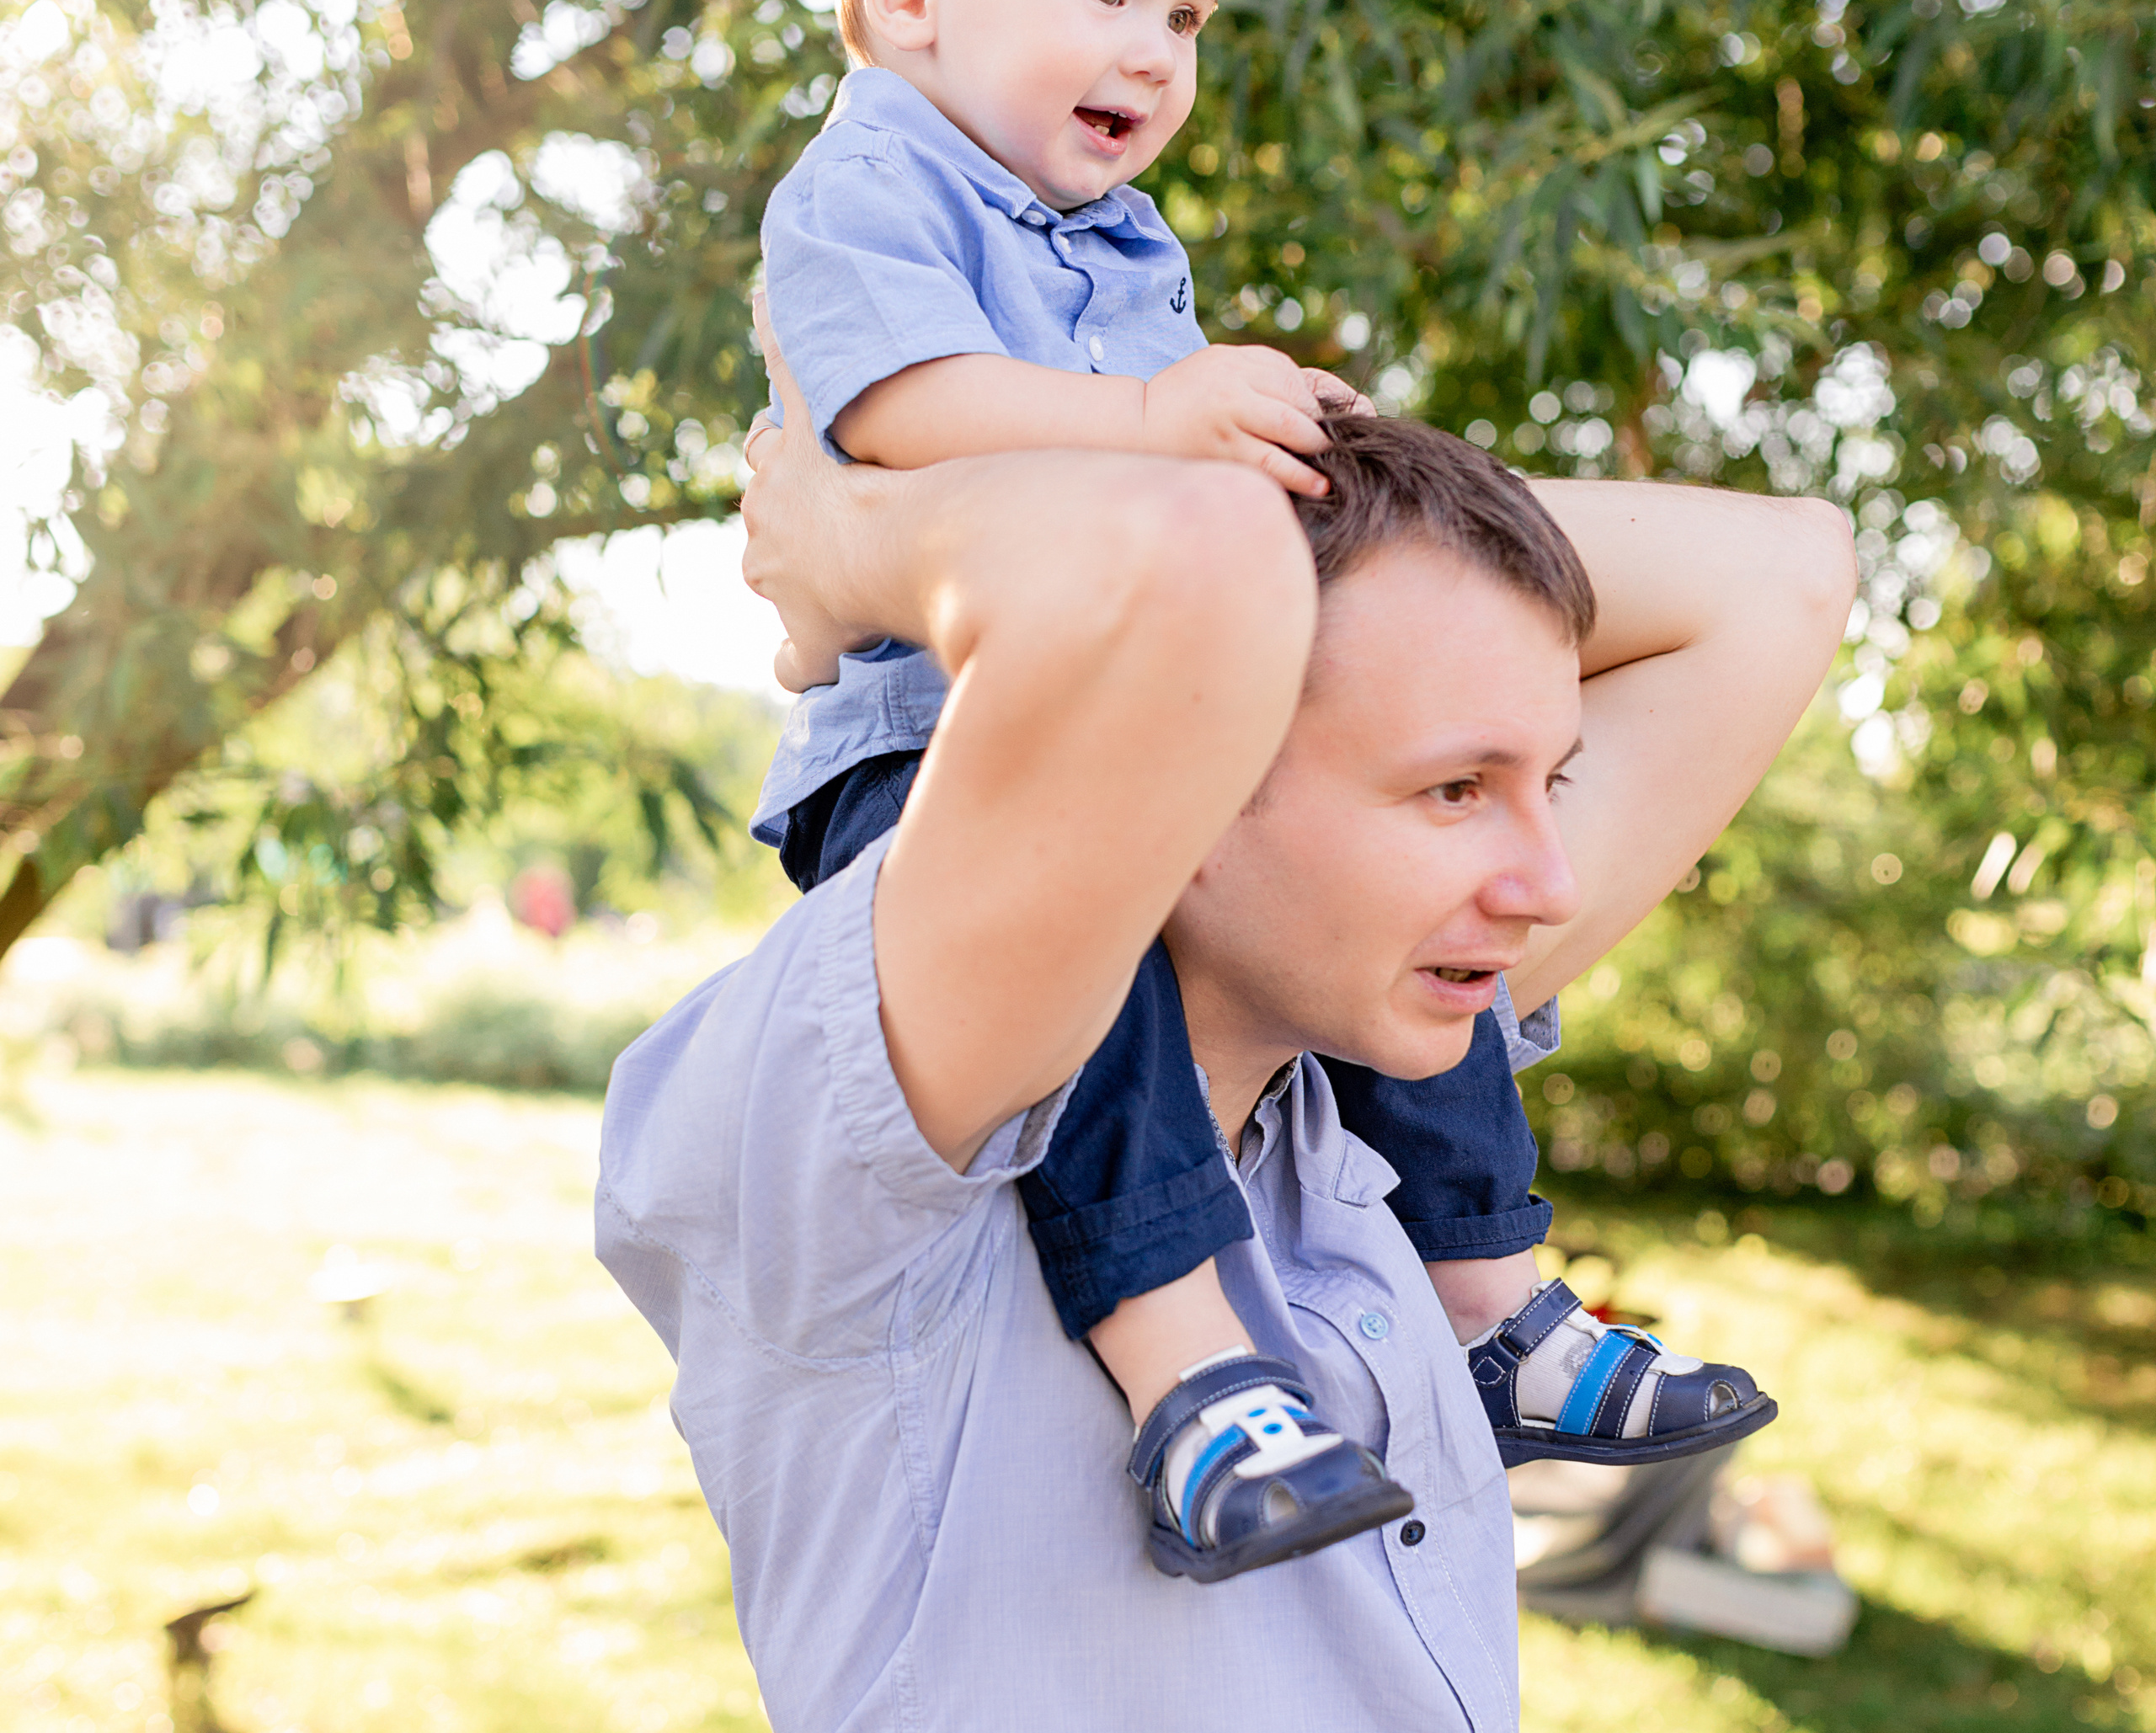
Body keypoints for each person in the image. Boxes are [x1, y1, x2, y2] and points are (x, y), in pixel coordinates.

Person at [734, 0, 1778, 1583]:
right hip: (933, 758)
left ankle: (1493, 1289)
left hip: (1133, 715)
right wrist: (1158, 420)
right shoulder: (869, 184)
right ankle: (1185, 1367)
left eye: (1190, 17)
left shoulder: (1114, 234)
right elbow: (898, 412)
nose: (1156, 49)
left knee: (1417, 895)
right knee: (1104, 1000)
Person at [596, 330, 1854, 1725]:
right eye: (1454, 790)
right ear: (1184, 774)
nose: (1547, 882)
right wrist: (856, 539)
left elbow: (1786, 575)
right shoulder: (893, 1152)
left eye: (1549, 778)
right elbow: (1175, 559)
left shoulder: (1358, 1090)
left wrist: (1372, 506)